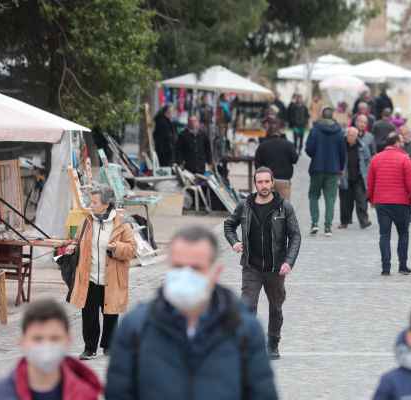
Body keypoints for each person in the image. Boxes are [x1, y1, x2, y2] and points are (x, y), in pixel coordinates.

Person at [106, 226, 278, 399]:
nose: (186, 275)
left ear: (216, 271)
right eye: (179, 266)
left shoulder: (244, 328)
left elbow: (262, 394)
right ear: (168, 266)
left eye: (196, 268)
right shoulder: (135, 326)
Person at [224, 167, 301, 360]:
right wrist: (234, 242)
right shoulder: (245, 205)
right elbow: (228, 225)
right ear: (255, 184)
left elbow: (295, 236)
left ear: (272, 183)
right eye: (260, 182)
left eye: (267, 182)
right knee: (247, 307)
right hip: (252, 265)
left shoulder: (284, 207)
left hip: (276, 267)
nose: (264, 186)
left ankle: (273, 343)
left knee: (275, 308)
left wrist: (289, 261)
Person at [64, 184, 137, 360]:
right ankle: (89, 347)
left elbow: (132, 249)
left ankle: (110, 345)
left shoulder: (121, 225)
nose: (91, 205)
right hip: (88, 277)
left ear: (107, 204)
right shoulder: (86, 221)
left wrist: (116, 247)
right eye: (91, 201)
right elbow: (76, 240)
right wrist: (72, 248)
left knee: (110, 313)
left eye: (95, 202)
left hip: (112, 278)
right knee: (88, 314)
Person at [0, 299, 103, 400]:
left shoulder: (86, 394)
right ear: (22, 342)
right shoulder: (1, 394)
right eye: (37, 338)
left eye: (55, 338)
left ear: (68, 341)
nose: (46, 345)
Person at [367, 132, 411, 276]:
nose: (403, 143)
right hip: (401, 203)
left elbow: (370, 181)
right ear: (396, 143)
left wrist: (371, 199)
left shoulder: (376, 158)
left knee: (384, 235)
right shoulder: (405, 159)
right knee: (403, 233)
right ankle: (402, 265)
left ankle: (385, 268)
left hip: (382, 203)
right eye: (401, 141)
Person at [305, 107, 346, 237]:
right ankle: (328, 227)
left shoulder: (315, 130)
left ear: (322, 116)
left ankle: (314, 223)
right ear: (332, 117)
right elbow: (342, 152)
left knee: (313, 195)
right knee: (330, 198)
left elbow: (308, 149)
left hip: (317, 167)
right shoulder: (339, 132)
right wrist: (341, 168)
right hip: (333, 169)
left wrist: (316, 154)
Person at [255, 123, 299, 201]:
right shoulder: (288, 144)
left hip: (268, 181)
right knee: (285, 208)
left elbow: (257, 164)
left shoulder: (263, 145)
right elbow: (295, 159)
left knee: (268, 207)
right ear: (279, 132)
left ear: (268, 133)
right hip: (284, 180)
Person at [339, 127, 372, 230]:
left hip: (359, 178)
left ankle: (363, 220)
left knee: (361, 200)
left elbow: (368, 161)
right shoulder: (341, 146)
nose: (351, 137)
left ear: (356, 136)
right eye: (349, 135)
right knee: (345, 202)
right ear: (346, 135)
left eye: (354, 135)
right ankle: (344, 221)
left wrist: (366, 173)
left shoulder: (363, 146)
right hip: (345, 178)